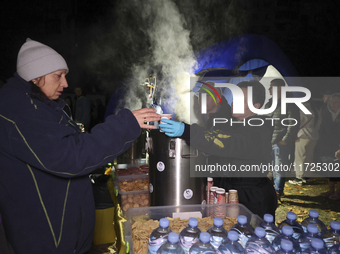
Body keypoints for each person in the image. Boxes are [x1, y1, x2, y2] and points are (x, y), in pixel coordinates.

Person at [0, 38, 161, 254]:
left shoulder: (42, 105)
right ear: (36, 78)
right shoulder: (19, 111)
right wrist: (126, 124)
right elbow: (70, 156)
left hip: (64, 238)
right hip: (46, 242)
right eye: (58, 76)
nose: (65, 84)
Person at [159, 80, 277, 219]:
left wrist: (187, 131)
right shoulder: (233, 124)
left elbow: (229, 142)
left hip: (253, 199)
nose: (234, 101)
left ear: (256, 106)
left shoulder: (259, 130)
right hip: (229, 193)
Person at [265, 78, 300, 201]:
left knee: (279, 168)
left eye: (271, 87)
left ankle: (278, 192)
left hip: (281, 142)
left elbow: (293, 122)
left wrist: (286, 139)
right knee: (273, 168)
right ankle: (275, 190)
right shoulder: (270, 103)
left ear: (279, 89)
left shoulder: (289, 103)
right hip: (271, 141)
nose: (269, 89)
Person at [289, 100, 321, 185]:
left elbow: (298, 122)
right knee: (309, 157)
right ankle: (307, 177)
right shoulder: (315, 109)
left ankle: (299, 177)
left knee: (300, 157)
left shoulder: (301, 109)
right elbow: (319, 122)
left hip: (303, 134)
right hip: (314, 134)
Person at [318, 93, 340, 200]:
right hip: (327, 146)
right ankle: (331, 190)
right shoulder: (326, 113)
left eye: (336, 102)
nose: (333, 104)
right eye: (331, 102)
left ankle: (338, 192)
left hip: (338, 147)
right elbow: (323, 129)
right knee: (329, 168)